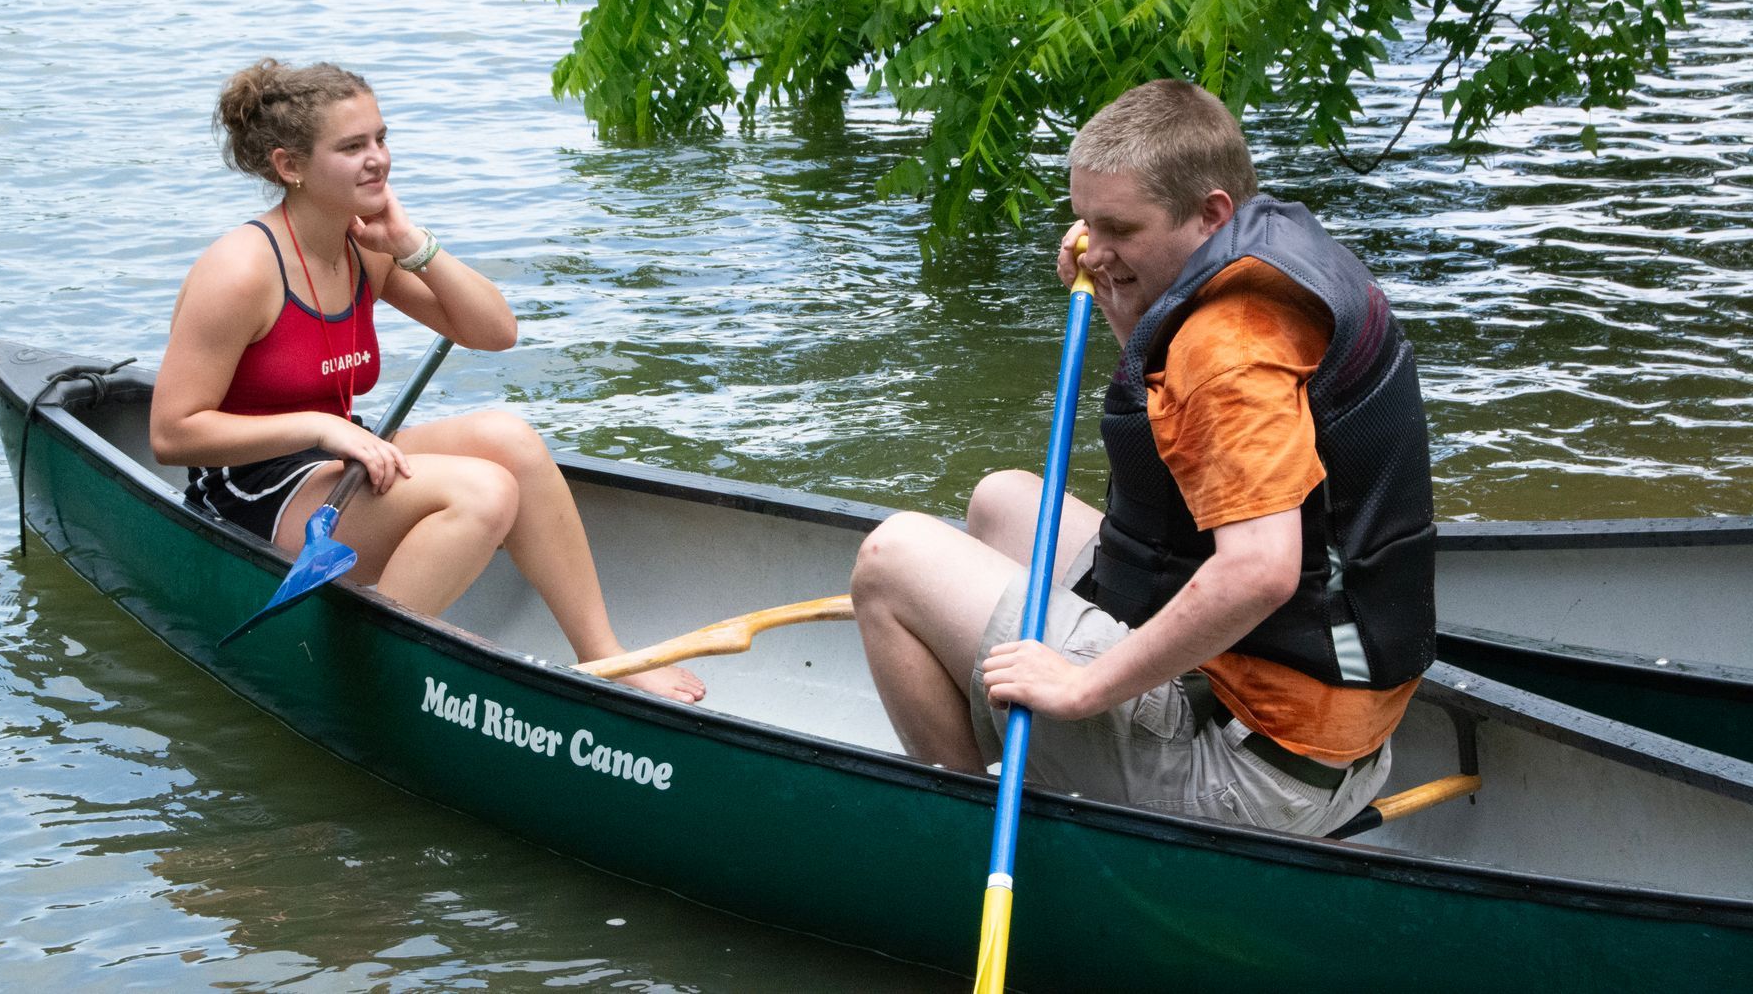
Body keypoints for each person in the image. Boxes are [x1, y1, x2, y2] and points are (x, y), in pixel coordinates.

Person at [850, 79, 1435, 834]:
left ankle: (960, 823)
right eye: (1084, 221)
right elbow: (1174, 407)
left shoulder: (1230, 350)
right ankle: (1031, 749)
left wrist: (1083, 686)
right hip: (1317, 721)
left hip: (1255, 776)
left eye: (1118, 227)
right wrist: (1121, 287)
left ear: (1211, 212)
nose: (1092, 249)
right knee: (1001, 500)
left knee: (890, 559)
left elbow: (1260, 570)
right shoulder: (1267, 257)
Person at [149, 58, 704, 703]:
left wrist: (412, 243)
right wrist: (322, 427)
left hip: (334, 459)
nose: (377, 160)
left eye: (381, 139)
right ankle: (361, 672)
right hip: (252, 493)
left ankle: (605, 656)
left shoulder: (365, 248)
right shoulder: (241, 270)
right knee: (483, 493)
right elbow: (171, 432)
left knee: (510, 439)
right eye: (352, 147)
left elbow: (495, 331)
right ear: (289, 166)